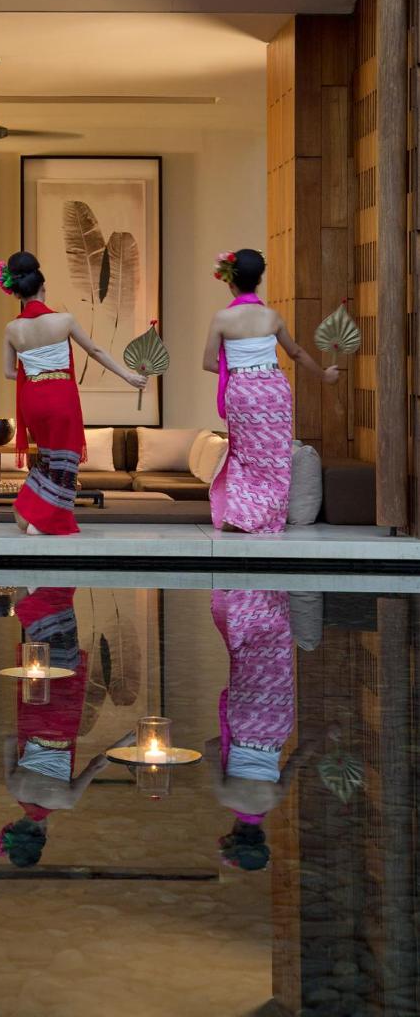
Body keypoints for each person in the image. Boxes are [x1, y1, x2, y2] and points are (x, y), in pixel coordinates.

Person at [0, 252, 146, 536]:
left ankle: (29, 508)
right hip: (60, 395)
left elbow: (8, 372)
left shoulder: (12, 329)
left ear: (17, 293)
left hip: (33, 399)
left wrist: (36, 375)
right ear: (43, 287)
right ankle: (46, 520)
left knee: (47, 457)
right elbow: (95, 351)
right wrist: (127, 376)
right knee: (63, 459)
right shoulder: (64, 320)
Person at [202, 248, 339, 534]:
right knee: (275, 458)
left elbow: (208, 363)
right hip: (274, 390)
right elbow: (296, 353)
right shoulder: (272, 317)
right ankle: (265, 517)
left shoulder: (222, 319)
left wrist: (235, 372)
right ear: (259, 280)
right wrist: (324, 375)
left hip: (242, 392)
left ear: (230, 281)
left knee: (244, 456)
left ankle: (241, 516)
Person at [0, 586, 115, 866]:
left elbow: (97, 765)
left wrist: (129, 743)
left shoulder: (66, 801)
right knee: (41, 655)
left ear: (44, 834)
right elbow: (9, 741)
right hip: (35, 716)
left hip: (63, 722)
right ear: (14, 827)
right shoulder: (15, 789)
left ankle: (47, 591)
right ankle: (28, 591)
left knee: (65, 651)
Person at [205, 588, 319, 872]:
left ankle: (272, 595)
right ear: (232, 833)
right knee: (244, 653)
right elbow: (211, 748)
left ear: (261, 835)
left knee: (276, 653)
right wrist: (229, 744)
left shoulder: (275, 798)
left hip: (277, 725)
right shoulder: (226, 796)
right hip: (244, 723)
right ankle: (245, 595)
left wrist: (326, 733)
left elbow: (299, 757)